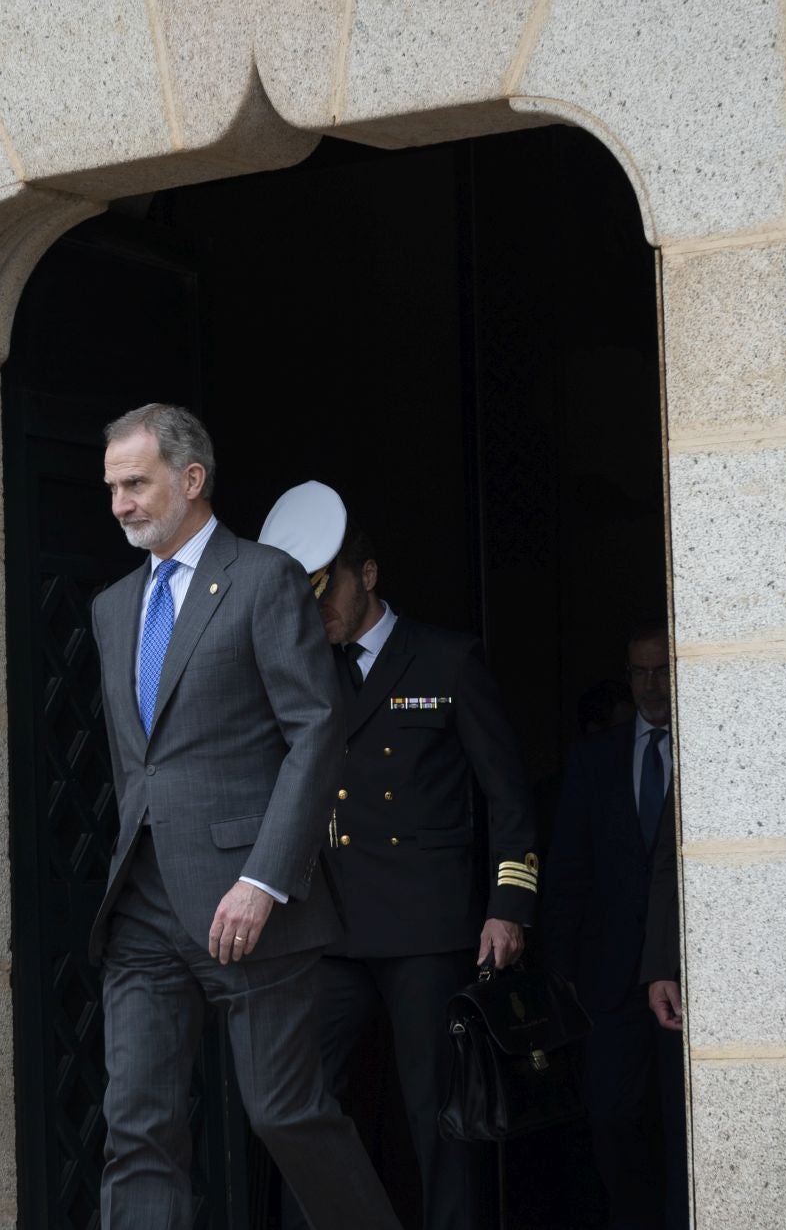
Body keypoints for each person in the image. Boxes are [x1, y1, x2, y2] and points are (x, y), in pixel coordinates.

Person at [89, 406, 399, 1230]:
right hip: (142, 905)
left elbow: (315, 730)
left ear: (191, 480)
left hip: (247, 901)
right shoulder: (112, 607)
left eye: (136, 482)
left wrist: (265, 878)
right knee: (138, 1126)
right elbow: (140, 762)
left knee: (285, 1113)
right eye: (112, 486)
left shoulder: (263, 578)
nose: (120, 501)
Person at [274, 504, 539, 1230]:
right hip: (330, 928)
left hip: (426, 928)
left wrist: (509, 906)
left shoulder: (447, 660)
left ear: (367, 575)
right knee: (300, 1102)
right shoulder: (304, 669)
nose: (317, 608)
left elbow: (508, 798)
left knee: (440, 1116)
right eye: (306, 594)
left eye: (328, 589)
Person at [541, 622, 688, 1230]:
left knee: (685, 1122)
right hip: (606, 977)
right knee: (609, 1117)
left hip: (685, 972)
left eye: (662, 669)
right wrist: (558, 967)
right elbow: (568, 867)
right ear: (627, 678)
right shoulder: (594, 759)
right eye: (640, 672)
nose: (652, 684)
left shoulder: (709, 741)